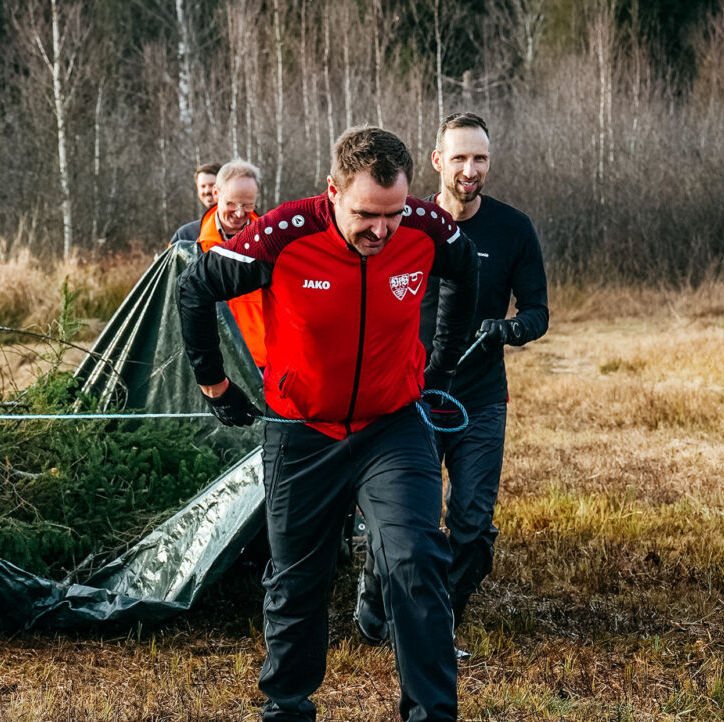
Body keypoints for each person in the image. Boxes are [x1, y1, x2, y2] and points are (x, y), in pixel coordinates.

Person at [179, 126, 480, 721]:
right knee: (297, 580)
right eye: (367, 214)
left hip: (391, 426)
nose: (382, 230)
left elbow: (466, 273)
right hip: (302, 432)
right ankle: (287, 709)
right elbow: (194, 288)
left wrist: (441, 366)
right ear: (333, 191)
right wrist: (214, 385)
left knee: (418, 560)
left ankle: (432, 715)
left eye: (392, 215)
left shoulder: (424, 225)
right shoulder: (283, 234)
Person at [353, 113, 549, 660]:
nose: (470, 168)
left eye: (479, 158)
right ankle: (375, 599)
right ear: (437, 161)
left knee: (472, 530)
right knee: (402, 523)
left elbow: (538, 311)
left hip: (481, 400)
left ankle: (441, 623)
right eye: (459, 157)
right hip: (408, 397)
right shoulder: (400, 222)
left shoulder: (514, 229)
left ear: (489, 163)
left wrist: (509, 329)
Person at [195, 160, 267, 368]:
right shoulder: (190, 239)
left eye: (247, 205)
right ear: (216, 194)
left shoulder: (271, 241)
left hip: (261, 363)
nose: (239, 213)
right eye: (231, 204)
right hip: (214, 363)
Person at [168, 162, 221, 245]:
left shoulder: (242, 229)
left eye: (212, 185)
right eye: (203, 186)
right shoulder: (185, 235)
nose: (207, 191)